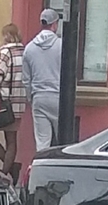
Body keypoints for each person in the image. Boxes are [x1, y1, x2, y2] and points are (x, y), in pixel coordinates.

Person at [22, 8, 63, 154]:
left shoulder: (29, 48)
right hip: (59, 97)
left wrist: (31, 98)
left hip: (39, 97)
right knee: (63, 141)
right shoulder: (62, 45)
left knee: (42, 142)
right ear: (54, 24)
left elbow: (26, 79)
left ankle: (41, 169)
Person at [0, 21, 27, 174]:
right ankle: (8, 170)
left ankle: (8, 169)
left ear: (6, 35)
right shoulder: (25, 51)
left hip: (3, 103)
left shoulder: (5, 52)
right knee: (11, 140)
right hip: (19, 104)